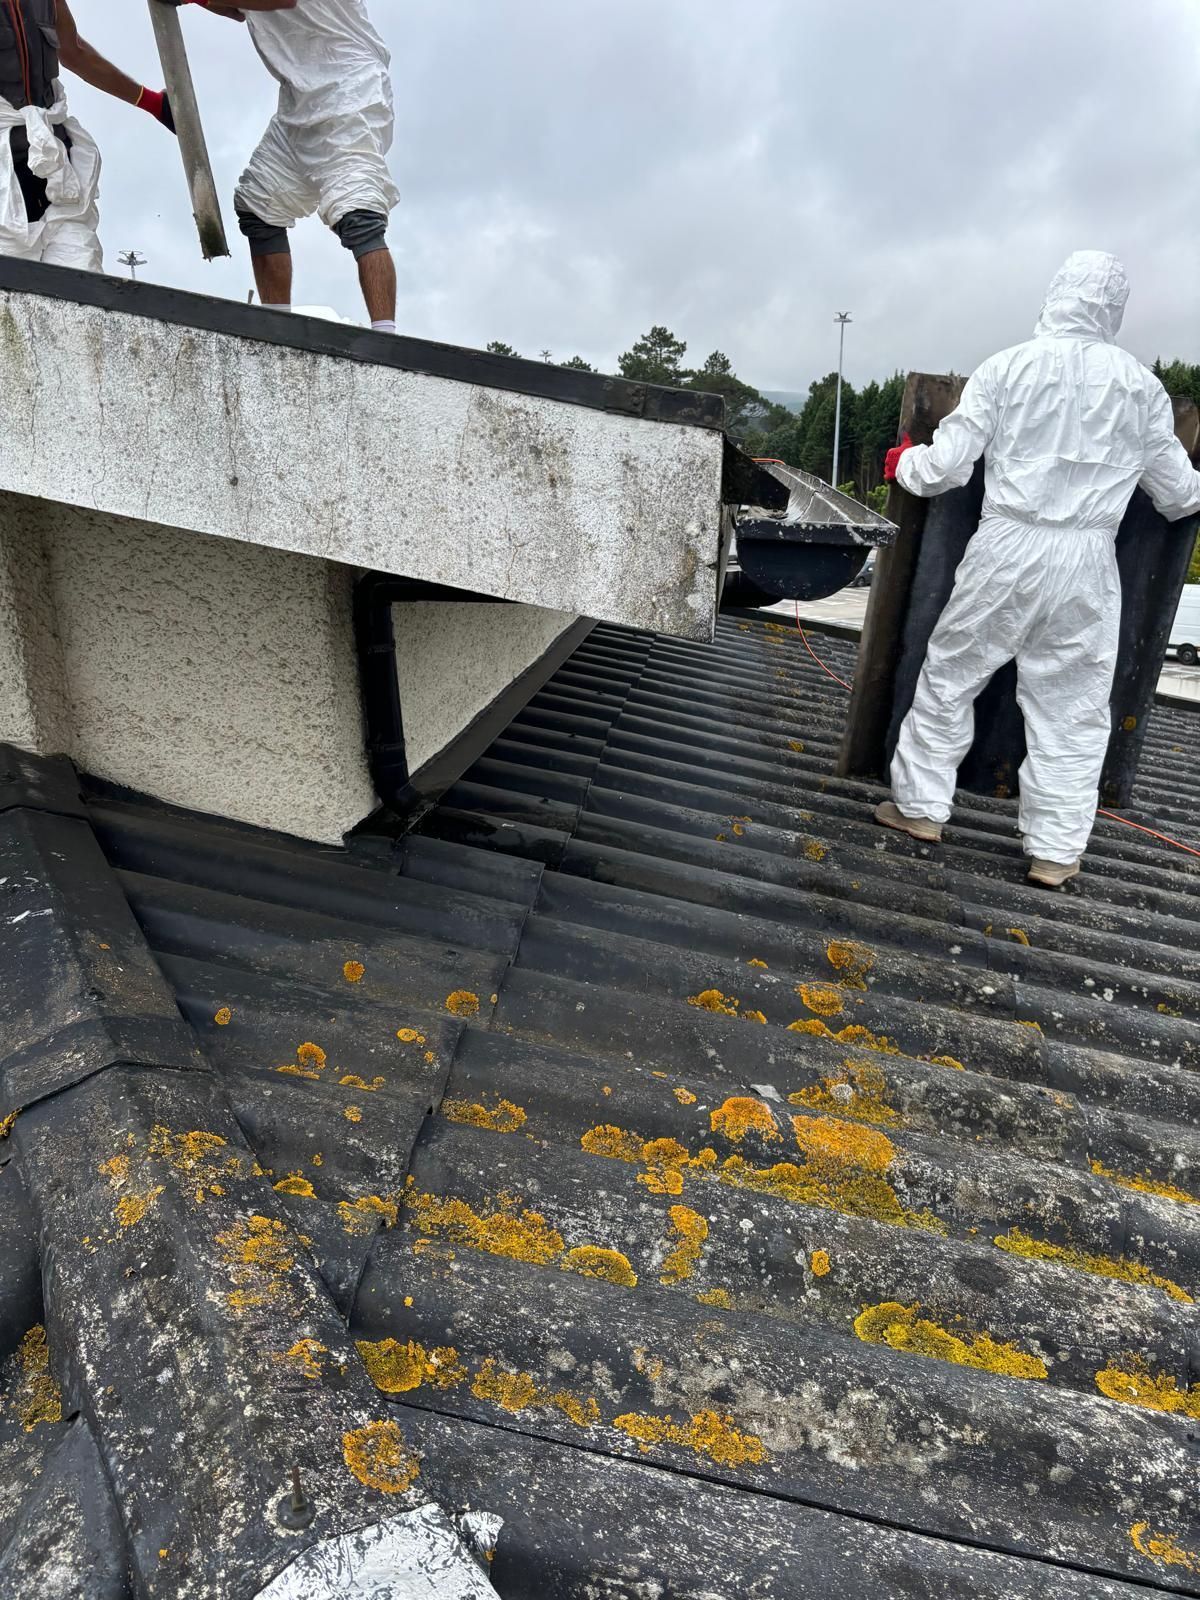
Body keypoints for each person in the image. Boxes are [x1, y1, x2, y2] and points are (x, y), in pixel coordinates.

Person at [875, 251, 1200, 888]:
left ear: (1056, 294)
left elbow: (946, 468)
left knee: (950, 678)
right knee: (1071, 711)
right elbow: (1178, 494)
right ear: (1114, 310)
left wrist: (906, 463)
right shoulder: (1141, 388)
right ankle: (1054, 852)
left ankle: (919, 809)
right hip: (1088, 560)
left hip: (1006, 547)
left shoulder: (1007, 367)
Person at [170, 0, 399, 332]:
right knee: (259, 206)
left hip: (349, 89)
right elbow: (237, 10)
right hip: (299, 101)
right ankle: (278, 330)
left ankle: (386, 339)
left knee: (358, 214)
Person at [0, 0, 176, 271]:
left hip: (57, 170)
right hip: (5, 178)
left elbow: (75, 52)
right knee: (11, 288)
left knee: (81, 275)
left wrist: (154, 104)